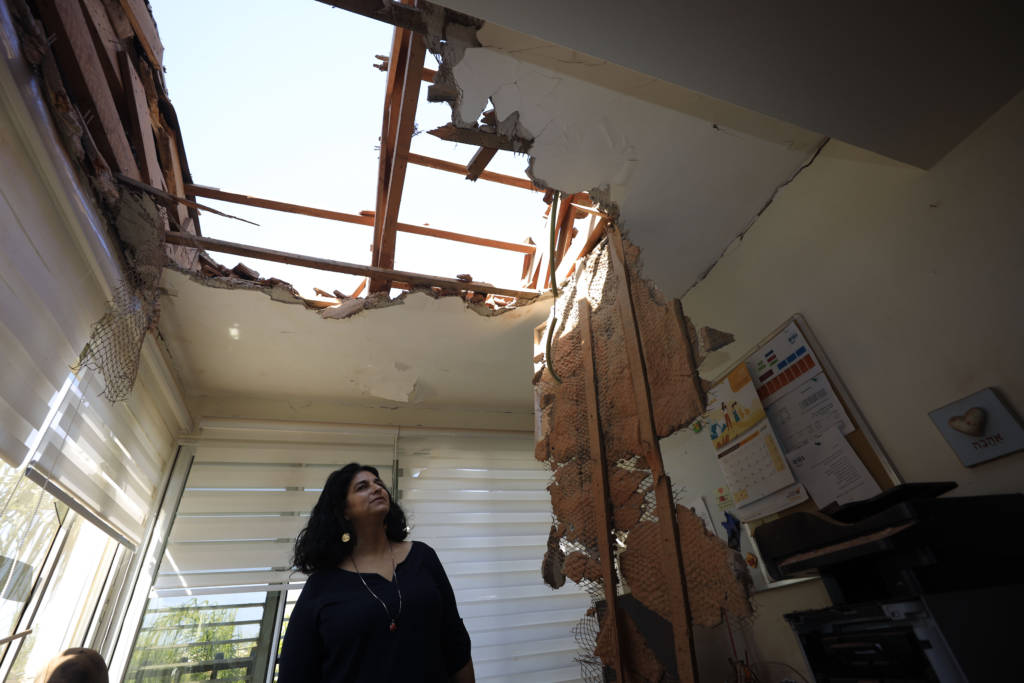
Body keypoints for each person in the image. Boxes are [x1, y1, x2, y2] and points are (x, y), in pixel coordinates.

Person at [278, 463, 474, 682]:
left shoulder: (423, 557)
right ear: (344, 510)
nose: (377, 488)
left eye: (379, 483)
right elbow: (294, 671)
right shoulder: (322, 585)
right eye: (362, 487)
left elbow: (455, 643)